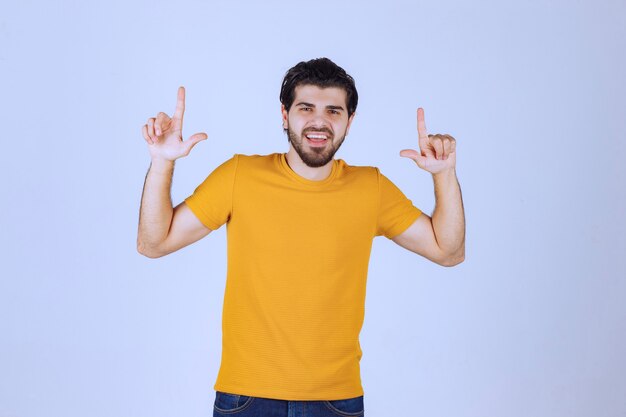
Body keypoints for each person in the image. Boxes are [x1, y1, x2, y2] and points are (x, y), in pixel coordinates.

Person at [137, 57, 465, 417]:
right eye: (305, 108)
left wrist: (443, 174)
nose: (319, 121)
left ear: (349, 121)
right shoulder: (239, 177)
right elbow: (154, 243)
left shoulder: (370, 188)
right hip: (245, 397)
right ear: (284, 114)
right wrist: (163, 162)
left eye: (333, 111)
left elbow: (447, 251)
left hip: (335, 401)